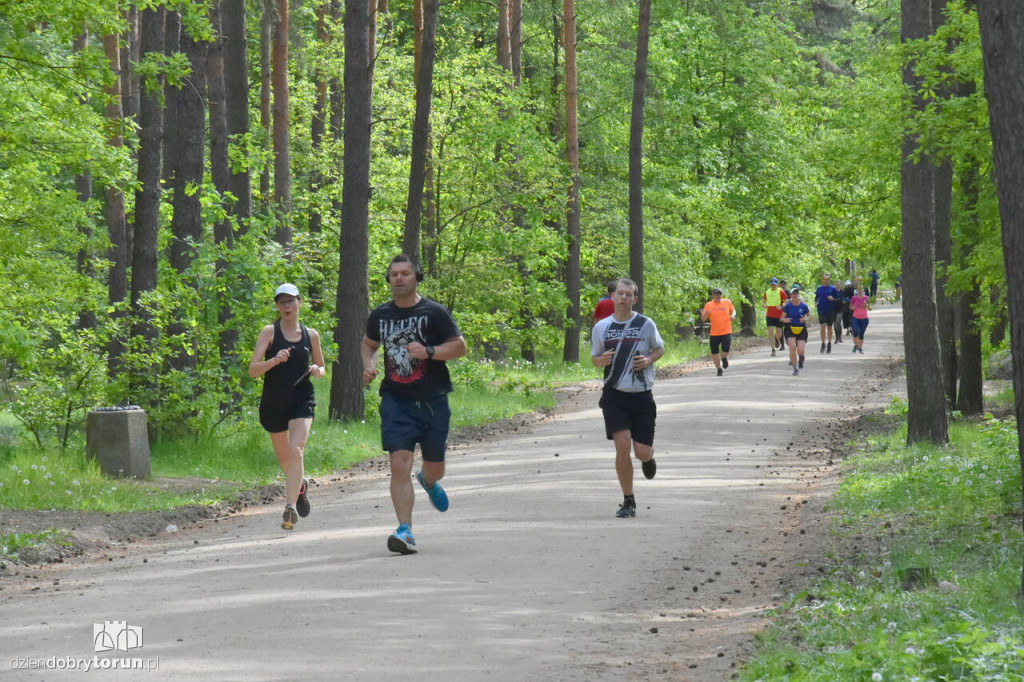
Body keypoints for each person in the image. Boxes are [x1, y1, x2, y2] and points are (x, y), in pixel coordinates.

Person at [361, 254, 468, 555]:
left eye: (405, 273)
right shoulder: (380, 315)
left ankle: (429, 481)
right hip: (396, 399)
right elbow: (369, 343)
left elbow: (460, 347)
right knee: (399, 463)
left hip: (433, 399)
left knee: (435, 468)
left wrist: (429, 351)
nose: (399, 278)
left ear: (417, 277)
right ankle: (405, 530)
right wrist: (368, 365)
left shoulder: (434, 312)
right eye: (394, 274)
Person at [248, 283, 327, 530]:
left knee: (297, 450)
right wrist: (274, 360)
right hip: (274, 403)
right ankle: (300, 486)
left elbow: (322, 367)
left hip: (302, 400)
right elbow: (253, 370)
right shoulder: (269, 332)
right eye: (282, 302)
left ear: (299, 303)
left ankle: (289, 506)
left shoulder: (311, 335)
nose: (286, 306)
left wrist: (316, 370)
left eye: (291, 301)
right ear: (277, 306)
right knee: (286, 460)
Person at [591, 278, 665, 519]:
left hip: (642, 395)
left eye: (628, 294)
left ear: (635, 299)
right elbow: (595, 356)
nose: (623, 297)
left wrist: (649, 360)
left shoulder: (645, 323)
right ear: (612, 297)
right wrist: (599, 361)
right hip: (614, 394)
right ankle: (628, 500)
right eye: (619, 293)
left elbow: (659, 348)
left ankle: (649, 457)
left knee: (640, 452)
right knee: (622, 446)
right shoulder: (601, 327)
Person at [701, 288, 737, 376]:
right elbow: (703, 319)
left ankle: (724, 358)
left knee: (726, 349)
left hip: (726, 331)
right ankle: (719, 369)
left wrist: (733, 315)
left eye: (719, 294)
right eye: (716, 294)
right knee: (714, 352)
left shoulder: (727, 302)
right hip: (714, 333)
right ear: (713, 295)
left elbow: (733, 311)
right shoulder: (709, 305)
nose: (718, 296)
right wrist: (706, 313)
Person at [781, 288, 811, 376]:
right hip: (790, 328)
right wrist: (785, 320)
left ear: (798, 295)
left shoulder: (803, 306)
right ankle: (795, 368)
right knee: (792, 347)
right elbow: (782, 318)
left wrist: (805, 319)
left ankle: (801, 359)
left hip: (801, 329)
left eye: (796, 294)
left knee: (800, 350)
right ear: (790, 296)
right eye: (793, 294)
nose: (795, 295)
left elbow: (810, 316)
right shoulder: (788, 306)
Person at [814, 273, 840, 354]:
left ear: (829, 280)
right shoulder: (819, 288)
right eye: (824, 279)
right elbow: (816, 297)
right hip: (821, 310)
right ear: (822, 280)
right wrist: (816, 302)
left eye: (827, 279)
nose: (826, 281)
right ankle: (823, 343)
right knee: (823, 325)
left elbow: (838, 299)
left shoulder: (833, 289)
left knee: (829, 327)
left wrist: (833, 299)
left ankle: (829, 343)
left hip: (831, 310)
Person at [763, 277, 788, 357]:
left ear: (777, 284)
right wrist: (764, 305)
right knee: (770, 330)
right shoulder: (767, 292)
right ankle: (773, 350)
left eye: (774, 284)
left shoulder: (780, 291)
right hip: (769, 313)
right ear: (770, 284)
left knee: (779, 332)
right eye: (772, 284)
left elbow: (785, 300)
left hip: (778, 313)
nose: (773, 285)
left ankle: (777, 338)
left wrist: (781, 306)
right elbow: (764, 301)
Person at [850, 286, 871, 353]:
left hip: (864, 319)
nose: (860, 290)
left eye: (861, 289)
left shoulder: (866, 298)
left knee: (861, 334)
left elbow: (870, 309)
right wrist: (854, 307)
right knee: (855, 332)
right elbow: (850, 307)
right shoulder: (854, 298)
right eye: (858, 289)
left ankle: (860, 348)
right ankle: (856, 345)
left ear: (863, 290)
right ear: (857, 290)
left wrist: (866, 305)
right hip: (855, 318)